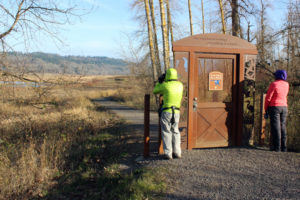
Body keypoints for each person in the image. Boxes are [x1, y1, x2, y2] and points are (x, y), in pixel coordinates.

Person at [153, 68, 183, 159]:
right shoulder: (180, 85)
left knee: (166, 131)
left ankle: (168, 153)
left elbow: (155, 91)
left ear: (167, 75)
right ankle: (177, 152)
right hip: (177, 112)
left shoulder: (165, 85)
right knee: (175, 131)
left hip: (167, 111)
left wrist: (159, 81)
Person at [264, 69, 289, 152]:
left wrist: (266, 108)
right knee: (283, 126)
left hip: (275, 107)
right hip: (284, 107)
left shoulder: (274, 84)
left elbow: (268, 98)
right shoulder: (287, 84)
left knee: (276, 127)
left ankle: (277, 147)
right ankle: (284, 147)